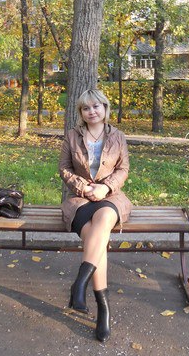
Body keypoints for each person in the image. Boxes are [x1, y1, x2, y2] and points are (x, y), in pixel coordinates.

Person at [59, 89, 133, 342]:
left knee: (103, 221)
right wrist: (84, 188)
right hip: (80, 200)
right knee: (97, 238)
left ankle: (80, 284)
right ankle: (103, 308)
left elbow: (123, 169)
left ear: (105, 108)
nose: (92, 112)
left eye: (96, 106)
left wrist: (105, 188)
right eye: (86, 108)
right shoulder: (72, 136)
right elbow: (64, 168)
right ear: (81, 112)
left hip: (111, 197)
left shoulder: (118, 136)